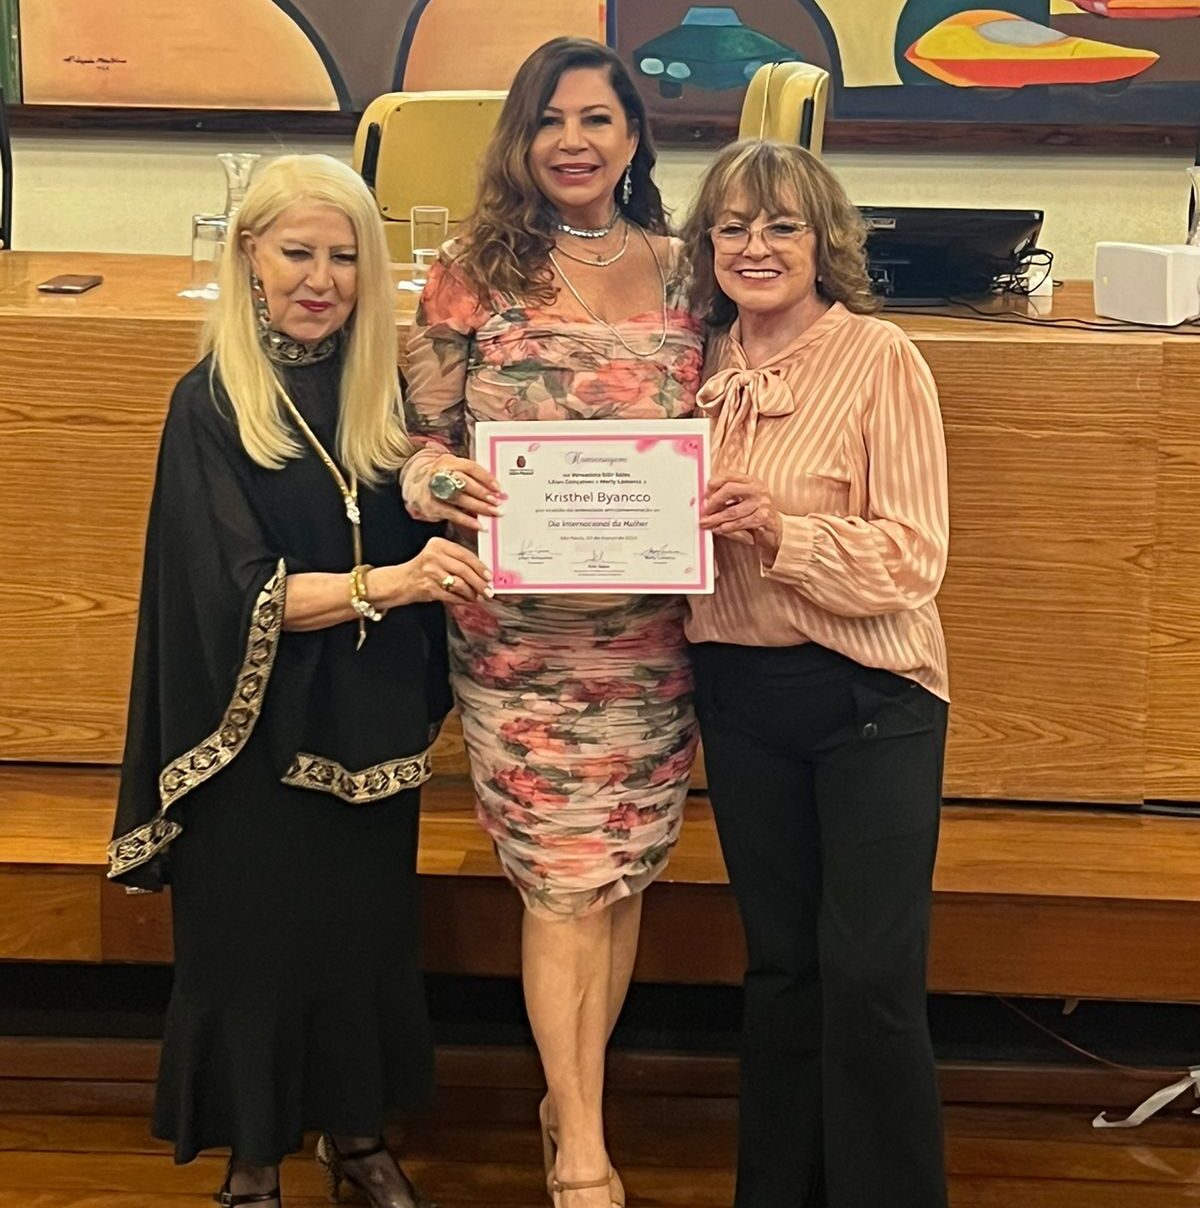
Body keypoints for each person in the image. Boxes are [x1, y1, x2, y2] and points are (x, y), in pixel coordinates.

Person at [107, 153, 489, 1208]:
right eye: (297, 253)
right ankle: (253, 1162)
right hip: (252, 737)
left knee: (361, 941)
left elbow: (422, 509)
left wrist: (459, 502)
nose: (321, 279)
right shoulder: (210, 403)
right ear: (250, 257)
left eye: (344, 256)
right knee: (256, 949)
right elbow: (232, 591)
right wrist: (392, 583)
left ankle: (358, 1136)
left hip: (369, 719)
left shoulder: (386, 397)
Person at [401, 37, 704, 1208]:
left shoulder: (690, 271)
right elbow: (414, 442)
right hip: (518, 637)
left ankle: (570, 1099)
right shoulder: (469, 272)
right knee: (563, 881)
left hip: (650, 635)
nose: (572, 142)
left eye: (596, 119)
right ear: (519, 139)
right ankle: (581, 1140)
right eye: (549, 120)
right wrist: (437, 483)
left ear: (633, 137)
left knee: (620, 873)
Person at [681, 139, 951, 1208]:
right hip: (740, 699)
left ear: (823, 240)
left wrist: (781, 531)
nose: (756, 246)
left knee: (870, 975)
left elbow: (913, 559)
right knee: (783, 969)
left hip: (870, 700)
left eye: (782, 225)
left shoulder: (881, 358)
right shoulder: (688, 364)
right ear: (707, 244)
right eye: (733, 226)